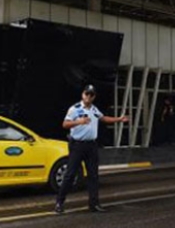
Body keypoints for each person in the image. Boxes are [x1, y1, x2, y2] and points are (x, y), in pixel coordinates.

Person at [55, 85, 129, 214]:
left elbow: (103, 118)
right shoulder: (74, 109)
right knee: (70, 175)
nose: (88, 96)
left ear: (93, 97)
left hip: (91, 146)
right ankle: (59, 203)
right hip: (77, 145)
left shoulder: (94, 109)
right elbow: (65, 124)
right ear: (82, 94)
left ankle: (94, 204)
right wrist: (79, 122)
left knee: (93, 176)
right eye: (86, 93)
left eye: (91, 94)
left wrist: (119, 119)